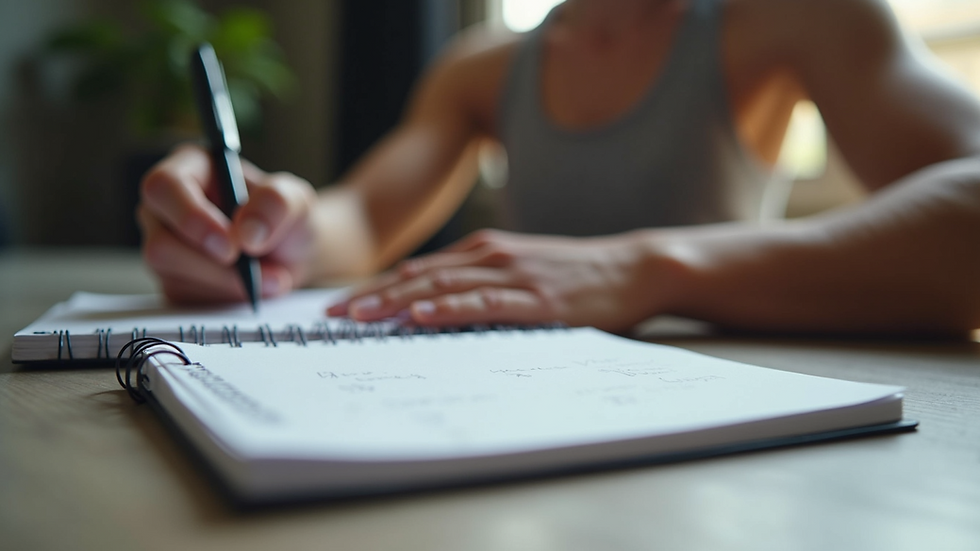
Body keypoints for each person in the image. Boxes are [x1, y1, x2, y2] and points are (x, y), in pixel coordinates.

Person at [138, 0, 980, 335]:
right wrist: (264, 226)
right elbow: (359, 221)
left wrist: (642, 268)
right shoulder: (482, 67)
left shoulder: (793, 19)